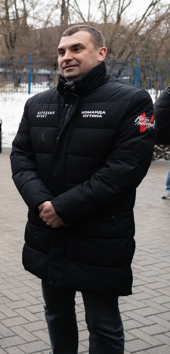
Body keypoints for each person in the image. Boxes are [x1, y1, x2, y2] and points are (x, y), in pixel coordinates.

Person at [10, 25, 155, 353]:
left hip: (100, 236)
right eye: (61, 51)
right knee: (56, 312)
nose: (67, 57)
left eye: (77, 48)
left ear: (101, 53)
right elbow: (21, 158)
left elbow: (125, 169)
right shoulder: (37, 104)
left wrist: (65, 209)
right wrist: (42, 203)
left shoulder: (132, 101)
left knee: (103, 323)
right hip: (47, 230)